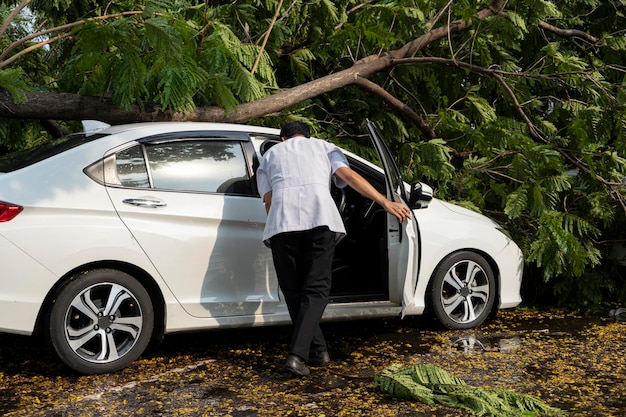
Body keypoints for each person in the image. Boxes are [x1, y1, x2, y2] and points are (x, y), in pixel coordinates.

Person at [256, 121, 411, 377]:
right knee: (316, 289)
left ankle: (318, 351)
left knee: (293, 290)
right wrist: (385, 201)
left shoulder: (270, 155)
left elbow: (269, 199)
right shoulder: (324, 147)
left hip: (282, 225)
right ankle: (297, 356)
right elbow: (349, 177)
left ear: (283, 139)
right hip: (320, 221)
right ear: (307, 136)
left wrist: (275, 225)